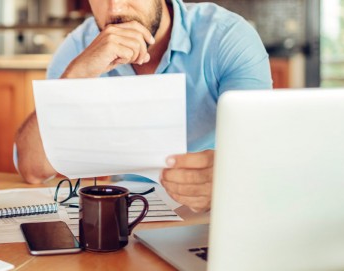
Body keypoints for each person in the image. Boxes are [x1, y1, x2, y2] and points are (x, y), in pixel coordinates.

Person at [14, 0, 272, 213]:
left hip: (213, 216)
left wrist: (228, 181)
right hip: (127, 214)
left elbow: (263, 154)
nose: (114, 10)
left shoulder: (226, 37)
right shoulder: (78, 48)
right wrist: (73, 79)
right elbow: (33, 169)